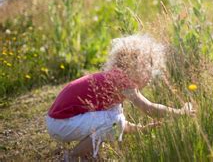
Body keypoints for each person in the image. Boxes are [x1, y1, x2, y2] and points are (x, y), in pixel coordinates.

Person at [45, 34, 195, 161]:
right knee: (111, 122)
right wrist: (180, 112)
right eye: (149, 69)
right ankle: (71, 157)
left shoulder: (114, 80)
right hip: (61, 123)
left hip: (58, 121)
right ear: (137, 65)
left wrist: (142, 129)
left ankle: (86, 155)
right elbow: (148, 109)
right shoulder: (122, 82)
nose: (150, 77)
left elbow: (119, 122)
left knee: (113, 119)